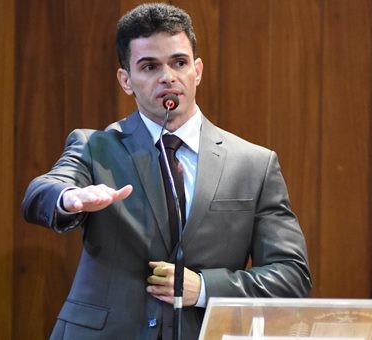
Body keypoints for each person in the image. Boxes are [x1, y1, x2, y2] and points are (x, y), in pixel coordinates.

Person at [22, 3, 311, 339]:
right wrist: (69, 197)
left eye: (179, 63)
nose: (168, 77)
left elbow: (291, 276)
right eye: (149, 66)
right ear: (126, 80)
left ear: (198, 70)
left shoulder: (253, 164)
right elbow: (40, 192)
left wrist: (203, 288)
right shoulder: (95, 148)